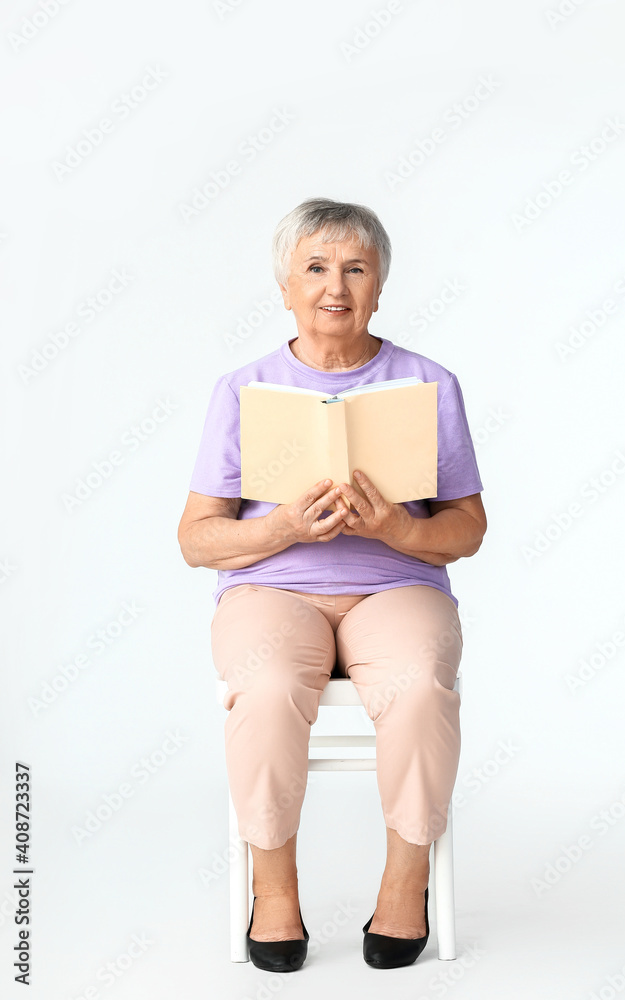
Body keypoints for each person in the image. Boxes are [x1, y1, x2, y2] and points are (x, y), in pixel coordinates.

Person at [178, 197, 486, 972]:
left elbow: (468, 528)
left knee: (419, 686)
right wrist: (280, 527)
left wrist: (400, 530)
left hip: (396, 586)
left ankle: (404, 883)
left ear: (380, 284)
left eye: (355, 268)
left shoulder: (427, 382)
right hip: (273, 590)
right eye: (315, 267)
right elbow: (195, 538)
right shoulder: (241, 389)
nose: (334, 286)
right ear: (285, 285)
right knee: (268, 682)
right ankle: (273, 889)